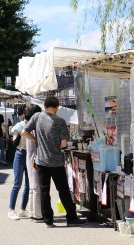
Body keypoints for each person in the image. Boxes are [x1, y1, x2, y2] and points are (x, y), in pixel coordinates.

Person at [21, 97, 86, 228]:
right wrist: (59, 147)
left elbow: (23, 132)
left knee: (44, 191)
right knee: (63, 190)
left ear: (45, 106)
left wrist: (36, 140)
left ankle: (48, 220)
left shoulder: (37, 116)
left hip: (41, 162)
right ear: (56, 107)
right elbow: (63, 143)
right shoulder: (60, 121)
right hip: (56, 162)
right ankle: (71, 218)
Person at [8, 107, 29, 220]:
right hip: (20, 154)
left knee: (28, 184)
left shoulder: (34, 125)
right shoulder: (19, 126)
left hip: (30, 155)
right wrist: (21, 134)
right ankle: (11, 210)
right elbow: (14, 144)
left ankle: (23, 209)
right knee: (17, 184)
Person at [25, 105, 43, 222]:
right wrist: (36, 139)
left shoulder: (29, 124)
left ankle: (31, 212)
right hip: (35, 159)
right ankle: (37, 214)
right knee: (36, 187)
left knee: (33, 187)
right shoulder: (33, 126)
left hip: (30, 158)